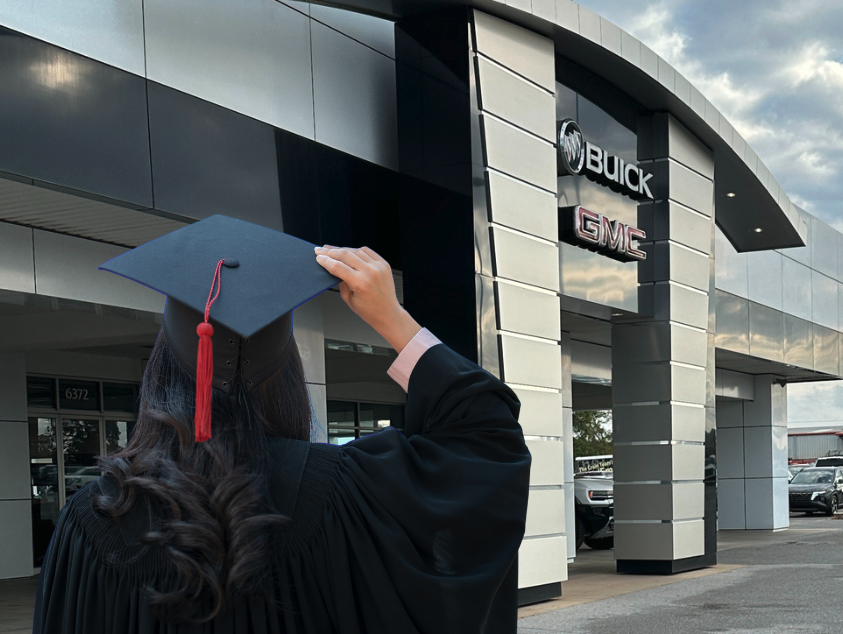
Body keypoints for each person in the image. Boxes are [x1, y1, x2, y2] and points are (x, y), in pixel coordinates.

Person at [32, 215, 531, 633]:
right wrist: (394, 319)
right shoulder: (351, 493)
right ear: (288, 373)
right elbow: (488, 438)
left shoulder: (94, 517)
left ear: (163, 371)